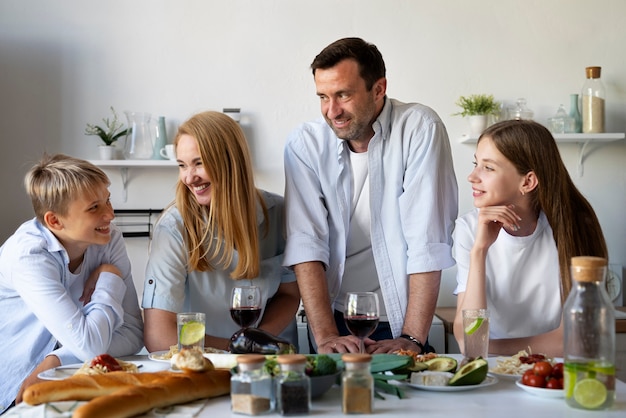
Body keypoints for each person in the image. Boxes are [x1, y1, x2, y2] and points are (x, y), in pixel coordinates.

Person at [283, 37, 458, 355]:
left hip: (402, 319)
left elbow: (427, 240)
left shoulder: (419, 128)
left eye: (343, 95)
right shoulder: (304, 145)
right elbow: (306, 243)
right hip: (332, 319)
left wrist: (412, 338)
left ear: (378, 89)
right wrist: (324, 336)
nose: (332, 111)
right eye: (323, 97)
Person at [142, 111, 300, 353]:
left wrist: (260, 340)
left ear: (230, 162)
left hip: (273, 362)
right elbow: (159, 337)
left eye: (199, 163)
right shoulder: (173, 228)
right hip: (204, 364)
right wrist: (239, 348)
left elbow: (289, 293)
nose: (189, 177)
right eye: (182, 165)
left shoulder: (280, 213)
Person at [0, 154, 144, 413]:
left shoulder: (109, 240)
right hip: (15, 390)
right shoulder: (28, 255)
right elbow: (90, 346)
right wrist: (110, 275)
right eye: (94, 208)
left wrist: (57, 359)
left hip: (70, 376)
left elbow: (133, 333)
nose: (110, 214)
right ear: (54, 221)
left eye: (108, 200)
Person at [452, 120, 608, 357]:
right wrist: (479, 251)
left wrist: (485, 348)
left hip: (554, 371)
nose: (472, 176)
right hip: (492, 372)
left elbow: (578, 338)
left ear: (527, 181)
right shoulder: (469, 229)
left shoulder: (577, 224)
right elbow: (468, 336)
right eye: (476, 164)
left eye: (488, 168)